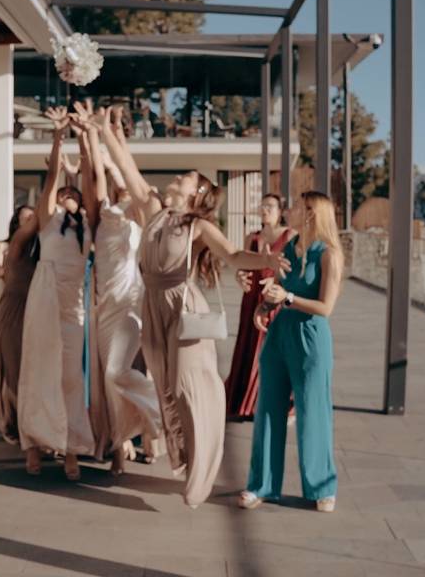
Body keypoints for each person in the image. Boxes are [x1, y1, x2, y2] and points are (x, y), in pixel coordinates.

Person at [99, 106, 289, 508]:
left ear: (197, 193)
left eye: (187, 177)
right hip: (152, 305)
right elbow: (127, 165)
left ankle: (200, 474)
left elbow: (235, 255)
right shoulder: (152, 210)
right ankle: (184, 455)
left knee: (188, 386)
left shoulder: (197, 226)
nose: (179, 176)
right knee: (167, 388)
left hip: (184, 308)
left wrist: (268, 260)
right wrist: (107, 130)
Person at [70, 103, 162, 477]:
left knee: (115, 372)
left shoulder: (141, 212)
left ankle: (156, 415)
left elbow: (123, 169)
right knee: (106, 380)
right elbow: (95, 176)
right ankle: (119, 447)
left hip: (131, 303)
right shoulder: (102, 213)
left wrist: (111, 131)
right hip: (102, 304)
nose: (117, 182)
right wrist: (89, 136)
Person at [239, 191, 343, 514]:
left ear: (311, 213)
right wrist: (263, 304)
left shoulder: (329, 254)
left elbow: (325, 307)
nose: (289, 210)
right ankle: (262, 486)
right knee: (268, 410)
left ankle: (322, 487)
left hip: (311, 339)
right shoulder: (289, 248)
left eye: (297, 206)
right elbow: (277, 290)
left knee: (313, 412)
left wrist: (286, 298)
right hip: (279, 337)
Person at [18, 105, 96, 481]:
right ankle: (33, 442)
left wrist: (84, 138)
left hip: (73, 304)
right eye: (62, 193)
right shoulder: (48, 222)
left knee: (69, 378)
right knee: (37, 370)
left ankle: (70, 447)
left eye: (71, 194)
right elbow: (51, 176)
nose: (66, 197)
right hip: (44, 297)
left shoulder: (88, 225)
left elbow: (94, 181)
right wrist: (57, 135)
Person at [224, 194, 295, 419]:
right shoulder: (252, 237)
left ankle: (270, 400)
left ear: (280, 210)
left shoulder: (290, 235)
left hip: (274, 298)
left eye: (270, 206)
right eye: (262, 205)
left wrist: (277, 280)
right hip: (251, 297)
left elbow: (294, 268)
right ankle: (244, 400)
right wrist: (239, 277)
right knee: (248, 345)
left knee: (271, 348)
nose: (265, 210)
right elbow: (242, 265)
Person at [0, 206, 38, 444]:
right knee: (8, 359)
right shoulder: (5, 246)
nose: (29, 222)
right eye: (25, 218)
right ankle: (7, 415)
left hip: (32, 307)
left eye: (32, 218)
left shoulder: (38, 248)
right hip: (9, 303)